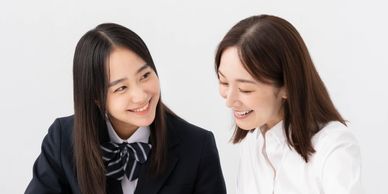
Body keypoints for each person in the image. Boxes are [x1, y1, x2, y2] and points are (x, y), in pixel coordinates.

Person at [25, 23, 226, 194]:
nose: (140, 96)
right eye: (121, 87)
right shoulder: (62, 138)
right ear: (96, 97)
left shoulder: (197, 146)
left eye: (145, 76)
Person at [214, 14, 362, 194]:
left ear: (287, 86)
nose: (229, 100)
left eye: (246, 89)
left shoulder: (333, 147)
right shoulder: (253, 143)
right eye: (224, 82)